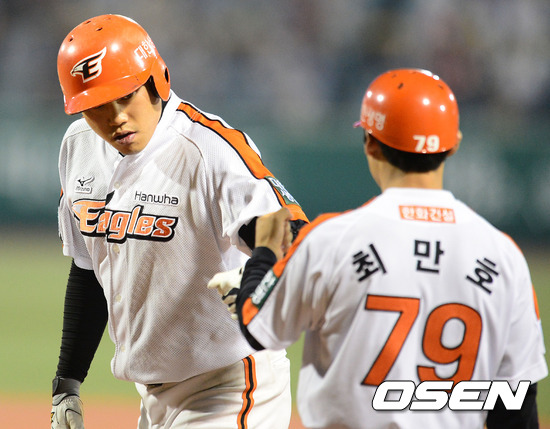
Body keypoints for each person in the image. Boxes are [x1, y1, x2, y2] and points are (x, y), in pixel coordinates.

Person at [217, 69, 548, 428]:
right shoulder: (504, 257)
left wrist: (264, 253)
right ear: (453, 144)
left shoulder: (331, 239)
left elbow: (256, 324)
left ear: (371, 144)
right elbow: (517, 406)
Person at [50, 14, 308, 429]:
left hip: (231, 386)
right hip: (154, 398)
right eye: (95, 106)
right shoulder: (78, 147)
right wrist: (67, 380)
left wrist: (260, 271)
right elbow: (88, 271)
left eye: (125, 96)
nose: (115, 116)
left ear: (157, 81)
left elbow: (287, 228)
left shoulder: (207, 148)